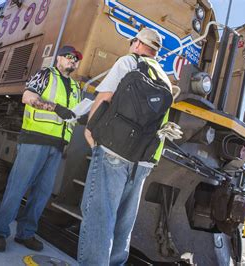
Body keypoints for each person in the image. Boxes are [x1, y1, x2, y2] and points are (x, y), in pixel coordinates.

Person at [78, 28, 181, 265]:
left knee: (99, 216)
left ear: (136, 44)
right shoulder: (165, 79)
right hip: (144, 159)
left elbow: (104, 98)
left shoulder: (129, 62)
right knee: (124, 223)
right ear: (156, 51)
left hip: (114, 149)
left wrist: (90, 130)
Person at [0, 46, 83, 252]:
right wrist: (55, 107)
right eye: (70, 57)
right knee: (18, 187)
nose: (73, 61)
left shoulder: (76, 87)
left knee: (42, 193)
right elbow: (27, 97)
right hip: (35, 140)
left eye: (77, 59)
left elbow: (74, 115)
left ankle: (26, 234)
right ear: (59, 58)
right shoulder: (45, 74)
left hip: (57, 146)